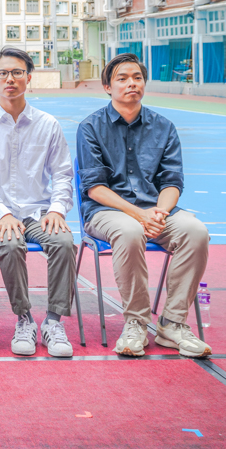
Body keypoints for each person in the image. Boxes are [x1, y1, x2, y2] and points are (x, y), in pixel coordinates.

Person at [77, 53, 211, 358]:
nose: (131, 84)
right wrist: (139, 215)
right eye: (122, 78)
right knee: (130, 231)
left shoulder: (164, 127)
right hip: (107, 212)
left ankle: (172, 324)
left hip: (155, 210)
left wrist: (159, 213)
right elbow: (95, 188)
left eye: (137, 78)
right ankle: (136, 323)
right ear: (107, 87)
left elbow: (172, 181)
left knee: (195, 231)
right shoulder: (91, 127)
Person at [0, 48, 76, 359]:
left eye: (17, 72)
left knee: (64, 242)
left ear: (28, 77)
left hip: (38, 211)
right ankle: (24, 319)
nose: (10, 79)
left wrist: (57, 209)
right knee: (10, 244)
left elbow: (63, 173)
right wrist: (4, 214)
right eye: (2, 73)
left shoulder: (47, 124)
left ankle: (53, 321)